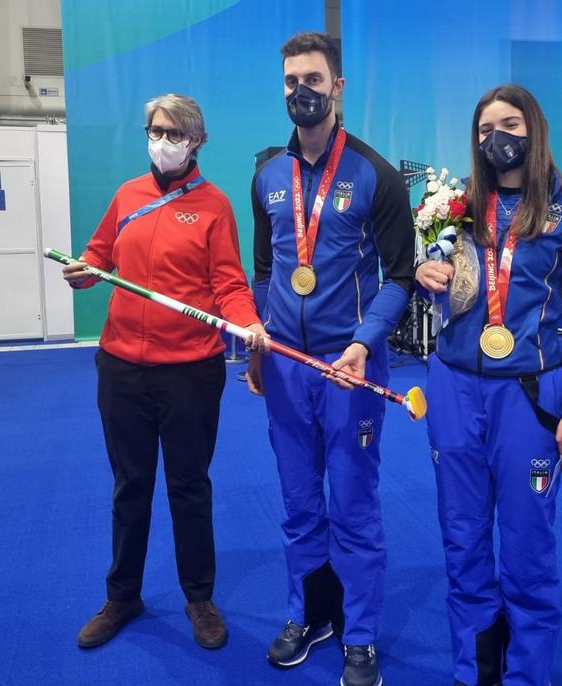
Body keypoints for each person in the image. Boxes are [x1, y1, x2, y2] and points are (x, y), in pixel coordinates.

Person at [63, 93, 266, 652]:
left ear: (196, 141)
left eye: (175, 133)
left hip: (190, 372)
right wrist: (85, 272)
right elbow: (100, 254)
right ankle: (122, 594)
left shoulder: (214, 205)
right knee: (131, 486)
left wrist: (247, 324)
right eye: (155, 130)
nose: (163, 142)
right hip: (122, 366)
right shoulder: (128, 194)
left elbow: (227, 283)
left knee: (188, 487)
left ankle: (199, 596)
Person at [415, 84, 562, 686]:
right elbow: (438, 275)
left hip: (528, 395)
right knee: (463, 542)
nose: (495, 136)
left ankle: (525, 677)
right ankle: (475, 674)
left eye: (509, 123)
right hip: (453, 387)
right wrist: (426, 270)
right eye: (483, 128)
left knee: (526, 549)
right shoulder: (456, 207)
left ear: (534, 129)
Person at [246, 31, 415, 686]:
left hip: (352, 368)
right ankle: (311, 614)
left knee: (352, 502)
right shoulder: (266, 175)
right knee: (297, 503)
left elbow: (399, 277)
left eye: (313, 80)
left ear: (337, 87)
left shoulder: (374, 175)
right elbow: (265, 270)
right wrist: (257, 345)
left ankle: (361, 634)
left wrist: (361, 342)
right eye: (291, 81)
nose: (301, 91)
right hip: (288, 366)